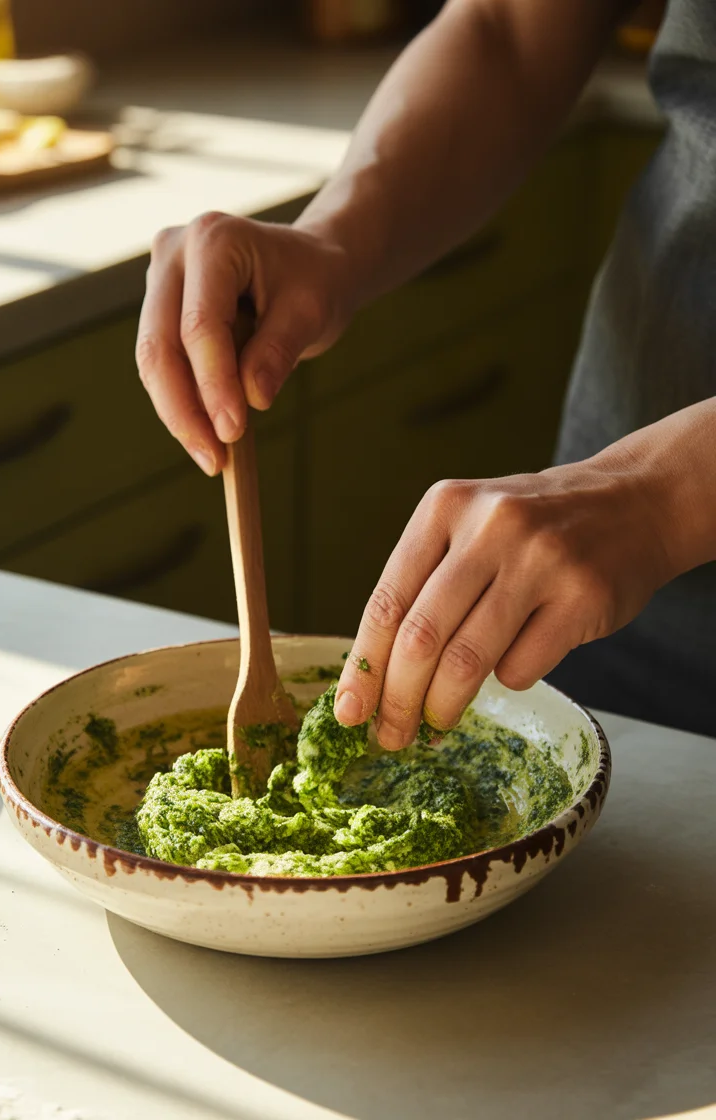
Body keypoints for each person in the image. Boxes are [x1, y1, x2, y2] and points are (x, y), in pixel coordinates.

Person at [135, 0, 716, 745]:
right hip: (618, 503)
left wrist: (666, 496)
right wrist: (335, 237)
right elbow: (508, 28)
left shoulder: (647, 498)